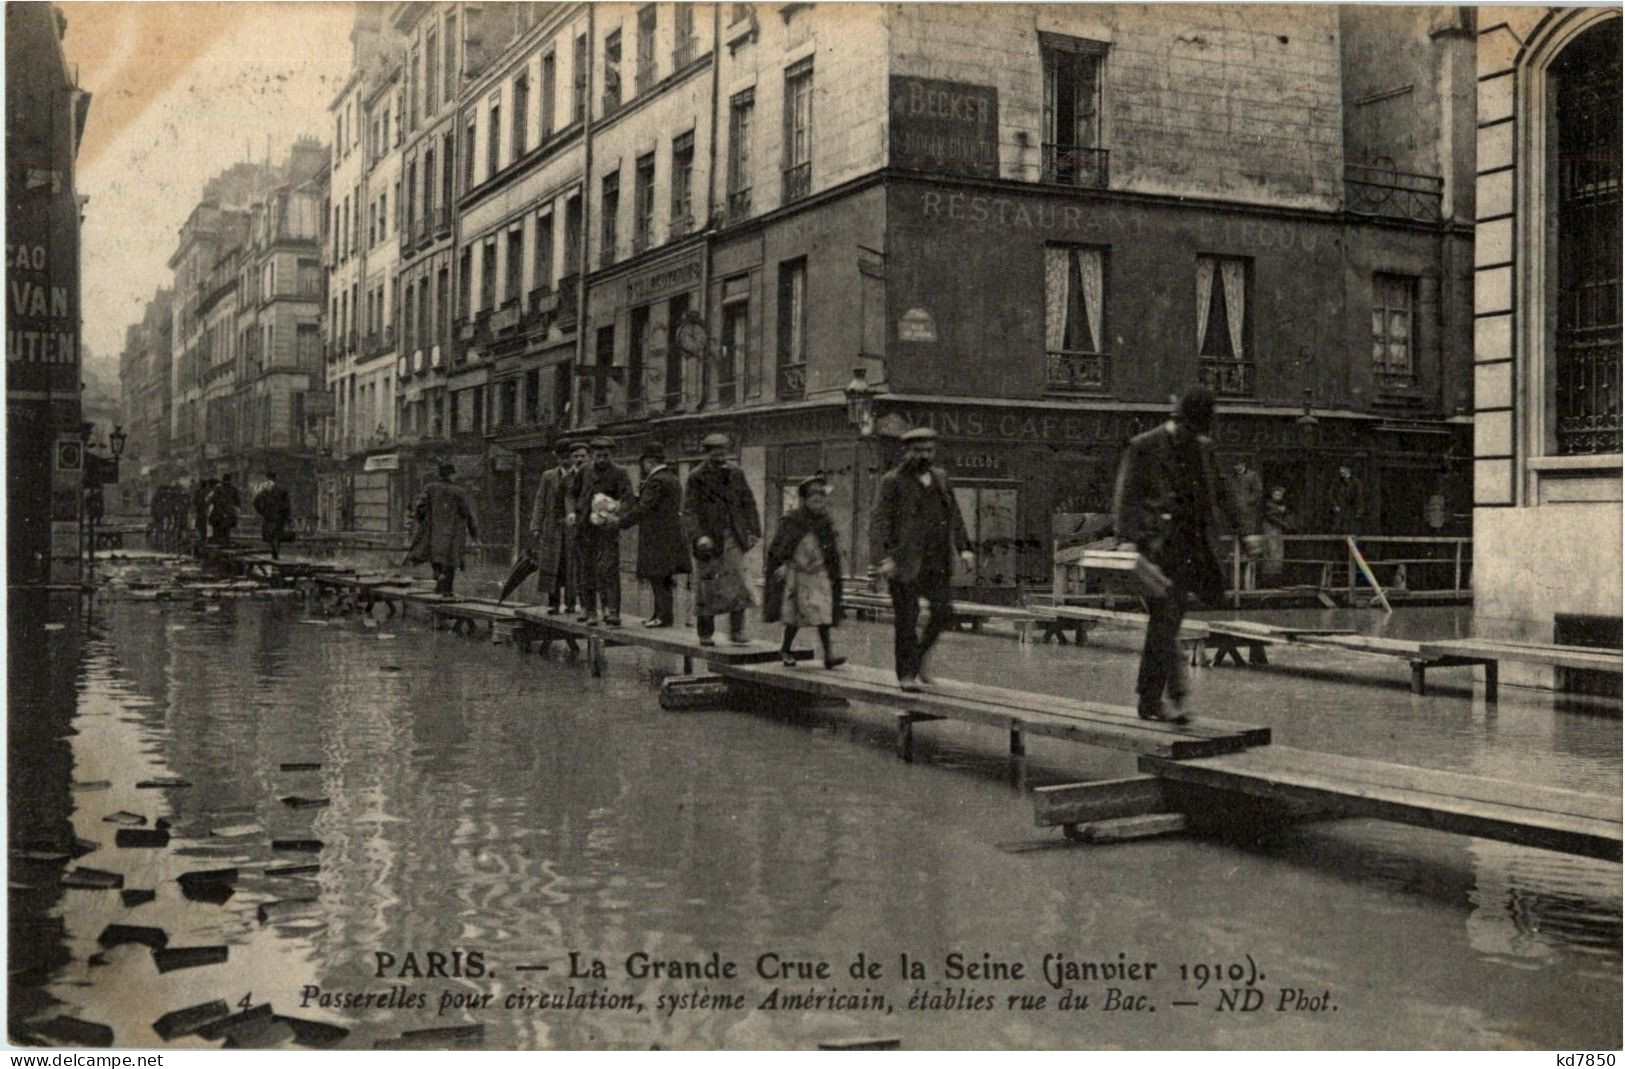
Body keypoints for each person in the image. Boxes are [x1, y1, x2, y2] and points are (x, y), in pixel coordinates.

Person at [1113, 388, 1254, 723]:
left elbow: (1224, 491)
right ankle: (1162, 699)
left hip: (1192, 551)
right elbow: (1126, 496)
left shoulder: (1203, 448)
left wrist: (1246, 532)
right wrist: (1128, 539)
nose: (1195, 436)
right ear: (1178, 421)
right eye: (1190, 429)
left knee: (1167, 624)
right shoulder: (1144, 446)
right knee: (1165, 620)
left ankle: (1163, 699)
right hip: (1157, 549)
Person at [871, 426, 974, 692]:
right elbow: (880, 522)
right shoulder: (892, 481)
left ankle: (918, 659)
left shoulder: (940, 478)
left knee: (944, 613)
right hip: (904, 562)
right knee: (906, 618)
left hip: (937, 561)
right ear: (906, 452)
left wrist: (964, 549)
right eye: (918, 451)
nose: (924, 456)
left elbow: (955, 515)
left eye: (929, 450)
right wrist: (884, 558)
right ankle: (906, 675)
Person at [683, 433, 761, 646]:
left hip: (733, 535)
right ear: (707, 452)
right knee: (707, 585)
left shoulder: (736, 473)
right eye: (715, 450)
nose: (720, 454)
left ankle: (737, 630)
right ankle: (705, 633)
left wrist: (754, 531)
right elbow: (689, 510)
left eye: (723, 450)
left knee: (738, 583)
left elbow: (748, 502)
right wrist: (699, 536)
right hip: (709, 540)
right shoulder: (696, 476)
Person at [764, 475, 847, 670]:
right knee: (796, 615)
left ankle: (828, 655)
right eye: (812, 495)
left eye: (821, 494)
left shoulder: (825, 521)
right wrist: (783, 563)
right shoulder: (793, 519)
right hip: (798, 574)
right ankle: (785, 648)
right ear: (804, 498)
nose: (817, 498)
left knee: (823, 613)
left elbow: (831, 549)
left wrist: (832, 569)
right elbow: (780, 546)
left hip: (819, 574)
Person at [617, 442, 688, 628]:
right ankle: (661, 615)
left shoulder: (656, 480)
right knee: (663, 577)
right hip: (669, 536)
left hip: (657, 536)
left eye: (644, 462)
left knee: (658, 577)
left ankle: (662, 617)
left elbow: (644, 508)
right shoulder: (672, 478)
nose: (643, 465)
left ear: (650, 461)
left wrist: (621, 522)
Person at [573, 437, 632, 626]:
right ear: (591, 455)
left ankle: (613, 611)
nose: (602, 460)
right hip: (585, 528)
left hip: (607, 529)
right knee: (587, 570)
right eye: (598, 456)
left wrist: (617, 515)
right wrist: (575, 513)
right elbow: (573, 493)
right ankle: (591, 612)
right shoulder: (584, 470)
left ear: (611, 455)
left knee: (609, 570)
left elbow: (629, 498)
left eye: (606, 456)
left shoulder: (620, 473)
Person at [407, 462, 479, 595]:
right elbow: (467, 513)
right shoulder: (459, 491)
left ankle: (438, 576)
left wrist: (422, 519)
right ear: (452, 475)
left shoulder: (430, 488)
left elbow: (420, 507)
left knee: (435, 555)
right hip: (453, 532)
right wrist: (473, 532)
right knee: (451, 559)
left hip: (434, 531)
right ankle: (447, 590)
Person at [529, 439, 579, 614]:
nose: (564, 461)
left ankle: (571, 603)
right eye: (561, 458)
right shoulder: (548, 476)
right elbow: (540, 501)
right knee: (552, 564)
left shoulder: (580, 475)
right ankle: (554, 602)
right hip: (553, 527)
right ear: (556, 457)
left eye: (568, 457)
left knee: (571, 565)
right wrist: (536, 525)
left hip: (573, 528)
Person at [252, 471, 293, 559]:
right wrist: (286, 517)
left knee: (271, 537)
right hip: (279, 518)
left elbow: (255, 502)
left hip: (269, 518)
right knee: (276, 537)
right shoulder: (281, 490)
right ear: (276, 479)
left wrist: (262, 512)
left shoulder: (264, 490)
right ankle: (275, 555)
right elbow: (287, 505)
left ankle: (275, 554)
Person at [1260, 485, 1294, 585]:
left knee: (1277, 551)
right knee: (1271, 550)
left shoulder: (1282, 506)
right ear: (1272, 495)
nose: (1278, 496)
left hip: (1277, 530)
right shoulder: (1269, 504)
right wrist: (1284, 524)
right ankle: (1268, 578)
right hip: (1270, 529)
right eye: (1276, 494)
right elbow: (1270, 516)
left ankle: (1276, 577)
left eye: (1280, 495)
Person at [1328, 463, 1364, 536]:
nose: (1341, 471)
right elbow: (1331, 495)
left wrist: (1358, 511)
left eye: (1343, 469)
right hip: (1340, 513)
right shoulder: (1336, 482)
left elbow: (1359, 497)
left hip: (1351, 513)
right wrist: (1335, 505)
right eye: (1341, 469)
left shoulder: (1356, 482)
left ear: (1348, 470)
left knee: (1351, 532)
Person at [206, 473, 240, 543]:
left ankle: (218, 547)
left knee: (217, 533)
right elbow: (238, 501)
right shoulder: (233, 489)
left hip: (218, 513)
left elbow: (212, 499)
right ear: (230, 480)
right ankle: (225, 544)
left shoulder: (218, 488)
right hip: (229, 513)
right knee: (227, 532)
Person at [193, 478, 215, 542]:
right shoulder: (207, 492)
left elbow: (194, 501)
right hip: (204, 510)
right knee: (204, 524)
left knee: (199, 525)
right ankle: (203, 537)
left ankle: (201, 538)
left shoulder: (198, 491)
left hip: (200, 510)